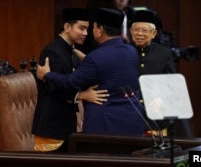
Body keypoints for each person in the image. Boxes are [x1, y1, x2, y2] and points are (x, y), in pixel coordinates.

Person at [37, 8, 144, 137]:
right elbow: (110, 67)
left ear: (100, 30)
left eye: (91, 28)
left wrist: (48, 75)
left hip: (105, 127)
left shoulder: (96, 57)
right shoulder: (132, 51)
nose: (87, 33)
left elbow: (70, 82)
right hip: (132, 122)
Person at [31, 8, 108, 152]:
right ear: (67, 27)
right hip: (51, 126)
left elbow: (76, 80)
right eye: (81, 28)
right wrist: (81, 95)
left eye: (87, 29)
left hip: (66, 125)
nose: (85, 33)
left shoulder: (71, 51)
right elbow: (52, 87)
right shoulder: (53, 51)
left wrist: (87, 60)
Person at [130, 10, 176, 135]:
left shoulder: (164, 53)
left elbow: (172, 83)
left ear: (154, 33)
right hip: (129, 114)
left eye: (144, 30)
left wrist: (162, 98)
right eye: (136, 30)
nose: (140, 33)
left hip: (155, 118)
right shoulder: (124, 51)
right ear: (131, 31)